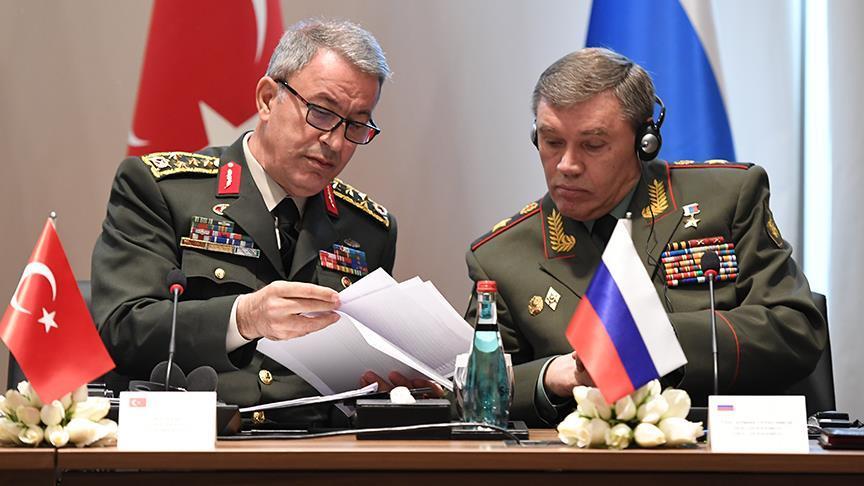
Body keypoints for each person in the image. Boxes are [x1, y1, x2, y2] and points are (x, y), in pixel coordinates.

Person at [464, 48, 827, 427]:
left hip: (721, 444)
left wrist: (656, 340)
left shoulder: (727, 200)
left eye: (592, 145)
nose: (567, 165)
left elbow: (796, 329)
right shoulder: (501, 257)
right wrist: (550, 376)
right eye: (552, 141)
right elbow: (470, 391)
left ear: (645, 140)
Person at [92, 19, 403, 427]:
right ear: (267, 99)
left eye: (356, 125)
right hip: (200, 443)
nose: (335, 142)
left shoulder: (369, 229)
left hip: (321, 448)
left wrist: (401, 387)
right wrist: (243, 318)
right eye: (322, 113)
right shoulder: (162, 190)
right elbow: (121, 330)